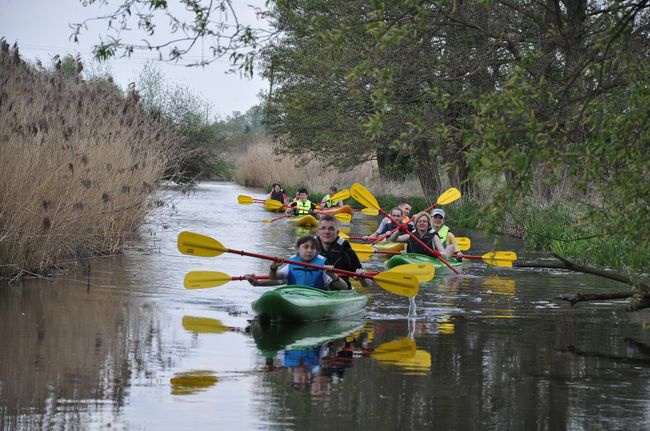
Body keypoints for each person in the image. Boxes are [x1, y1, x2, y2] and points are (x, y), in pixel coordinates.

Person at [245, 235, 348, 290]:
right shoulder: (291, 264)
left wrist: (333, 275)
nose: (309, 250)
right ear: (297, 249)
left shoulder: (322, 266)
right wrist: (273, 267)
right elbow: (274, 277)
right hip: (293, 296)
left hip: (315, 298)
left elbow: (344, 287)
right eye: (306, 247)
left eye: (313, 248)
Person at [314, 215, 366, 287]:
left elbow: (367, 284)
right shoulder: (308, 249)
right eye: (323, 228)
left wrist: (362, 278)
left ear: (337, 233)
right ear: (317, 232)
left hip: (340, 293)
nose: (326, 232)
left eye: (331, 229)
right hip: (314, 292)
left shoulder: (347, 252)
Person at [389, 211, 455, 258]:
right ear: (416, 224)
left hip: (429, 262)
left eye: (424, 221)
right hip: (413, 260)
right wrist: (399, 231)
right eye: (419, 221)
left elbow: (444, 254)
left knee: (451, 247)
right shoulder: (411, 235)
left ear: (428, 224)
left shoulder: (434, 237)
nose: (422, 223)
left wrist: (439, 254)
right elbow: (393, 240)